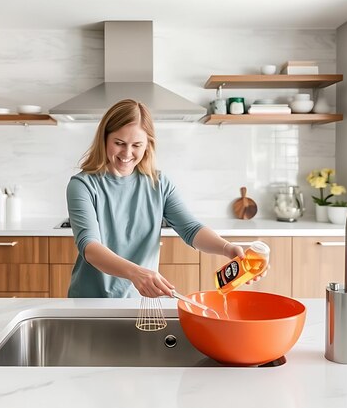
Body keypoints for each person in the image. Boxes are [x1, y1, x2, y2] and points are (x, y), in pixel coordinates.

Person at [66, 99, 264, 298]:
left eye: (136, 145)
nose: (127, 153)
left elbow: (191, 229)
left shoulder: (158, 184)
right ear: (104, 139)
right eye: (119, 143)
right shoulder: (82, 185)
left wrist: (227, 248)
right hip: (90, 300)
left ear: (147, 145)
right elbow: (90, 247)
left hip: (141, 301)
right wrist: (135, 273)